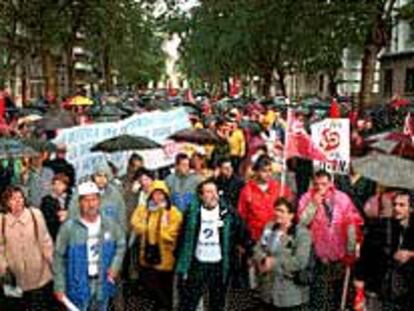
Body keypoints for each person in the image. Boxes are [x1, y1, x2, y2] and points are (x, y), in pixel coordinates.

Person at [176, 179, 249, 311]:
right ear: (201, 195)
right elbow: (182, 238)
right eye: (209, 192)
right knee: (189, 302)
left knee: (217, 302)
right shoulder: (192, 212)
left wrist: (243, 250)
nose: (214, 195)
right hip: (198, 264)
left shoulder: (228, 213)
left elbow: (243, 233)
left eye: (215, 191)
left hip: (219, 266)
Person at [54, 181, 126, 311]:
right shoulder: (68, 228)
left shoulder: (110, 224)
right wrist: (59, 286)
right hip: (78, 286)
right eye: (86, 200)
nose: (91, 204)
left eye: (94, 199)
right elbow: (58, 258)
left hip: (102, 283)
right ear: (79, 202)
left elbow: (121, 244)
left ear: (99, 201)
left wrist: (115, 266)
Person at [298, 170, 363, 311]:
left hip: (339, 256)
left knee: (337, 296)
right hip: (317, 257)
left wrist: (351, 249)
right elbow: (302, 223)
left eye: (324, 184)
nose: (320, 188)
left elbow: (353, 222)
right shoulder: (306, 198)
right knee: (319, 297)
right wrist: (313, 204)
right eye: (317, 184)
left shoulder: (342, 198)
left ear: (331, 183)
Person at [354, 190, 414, 311]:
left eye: (402, 205)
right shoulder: (381, 227)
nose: (396, 208)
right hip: (379, 290)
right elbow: (365, 258)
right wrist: (360, 293)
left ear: (411, 209)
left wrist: (411, 254)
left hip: (406, 293)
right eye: (395, 204)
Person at [0, 186, 56, 311]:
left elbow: (45, 241)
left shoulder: (35, 214)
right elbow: (0, 248)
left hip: (39, 274)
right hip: (15, 277)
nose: (18, 201)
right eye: (13, 199)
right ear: (6, 202)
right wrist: (3, 268)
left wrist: (54, 264)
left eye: (20, 197)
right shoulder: (2, 221)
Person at [131, 180, 183, 310]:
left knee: (165, 292)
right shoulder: (144, 209)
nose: (158, 197)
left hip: (166, 259)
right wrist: (147, 228)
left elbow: (172, 235)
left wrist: (163, 226)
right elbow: (135, 223)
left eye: (161, 194)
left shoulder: (173, 212)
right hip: (147, 257)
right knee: (150, 290)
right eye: (155, 194)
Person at [254, 198, 311, 311]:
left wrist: (274, 263)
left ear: (291, 215)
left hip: (290, 295)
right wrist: (262, 260)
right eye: (276, 210)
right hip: (268, 291)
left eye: (281, 211)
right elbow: (258, 248)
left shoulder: (301, 234)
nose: (277, 214)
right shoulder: (270, 228)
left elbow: (300, 261)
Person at [238, 154, 293, 242]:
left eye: (270, 170)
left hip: (276, 236)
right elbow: (242, 216)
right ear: (257, 171)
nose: (268, 174)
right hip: (255, 237)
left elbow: (290, 209)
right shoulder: (247, 190)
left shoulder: (279, 188)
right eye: (264, 171)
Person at [69, 163, 127, 231]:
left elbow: (121, 219)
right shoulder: (82, 191)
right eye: (99, 175)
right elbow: (72, 214)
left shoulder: (115, 195)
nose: (102, 179)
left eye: (105, 176)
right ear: (93, 176)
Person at [39, 173, 71, 240]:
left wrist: (68, 215)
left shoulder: (70, 199)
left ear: (65, 186)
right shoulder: (46, 200)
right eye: (55, 184)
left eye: (60, 184)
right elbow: (46, 219)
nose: (57, 186)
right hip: (54, 235)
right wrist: (59, 216)